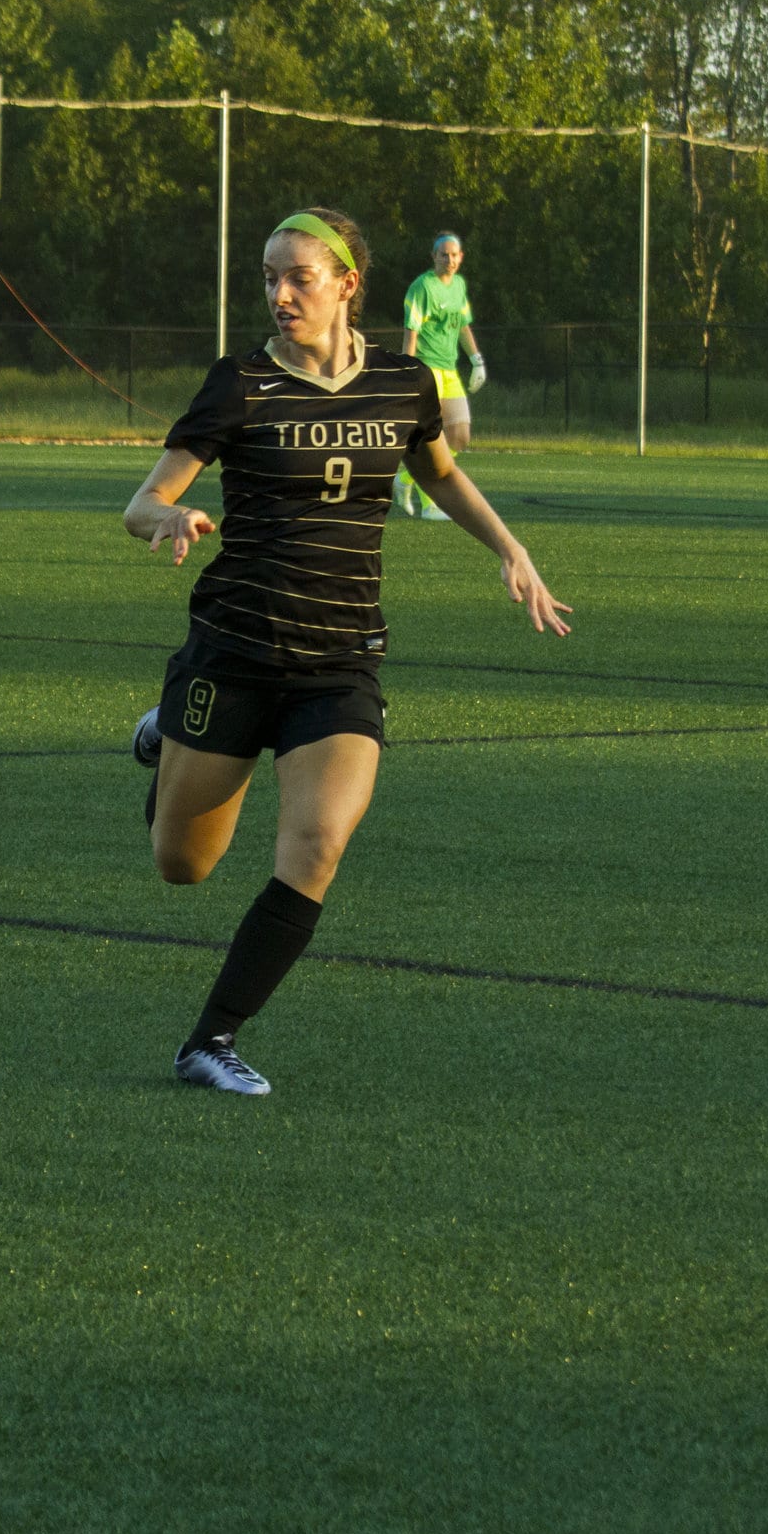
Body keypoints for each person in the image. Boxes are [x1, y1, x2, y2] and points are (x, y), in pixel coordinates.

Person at [122, 211, 569, 1096]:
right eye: (268, 278)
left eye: (298, 278)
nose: (280, 295)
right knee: (183, 864)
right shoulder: (241, 383)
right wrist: (167, 516)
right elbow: (141, 500)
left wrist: (510, 548)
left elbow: (437, 471)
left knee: (319, 840)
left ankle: (210, 1040)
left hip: (341, 658)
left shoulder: (404, 384)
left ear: (346, 285)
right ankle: (169, 728)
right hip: (236, 651)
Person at [395, 231, 486, 521]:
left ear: (461, 257)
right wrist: (409, 371)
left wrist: (477, 360)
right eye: (443, 254)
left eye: (454, 254)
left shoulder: (458, 285)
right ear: (433, 257)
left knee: (459, 436)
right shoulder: (422, 287)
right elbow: (412, 330)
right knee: (434, 436)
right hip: (427, 368)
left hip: (450, 369)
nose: (449, 259)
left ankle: (405, 480)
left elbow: (463, 325)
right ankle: (431, 504)